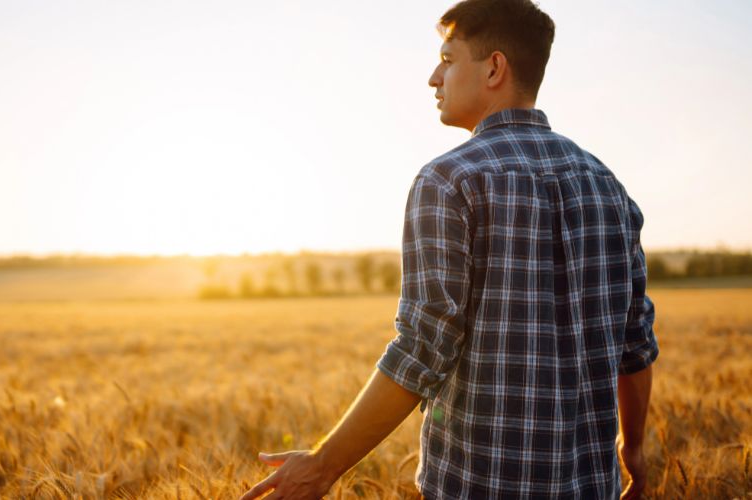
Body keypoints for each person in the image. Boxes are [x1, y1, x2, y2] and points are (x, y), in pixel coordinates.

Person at [240, 0, 658, 498]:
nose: (434, 77)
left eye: (448, 58)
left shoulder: (450, 180)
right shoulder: (608, 186)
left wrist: (324, 465)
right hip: (593, 485)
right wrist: (631, 451)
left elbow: (423, 345)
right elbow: (635, 345)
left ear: (494, 68)